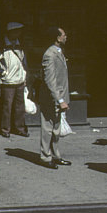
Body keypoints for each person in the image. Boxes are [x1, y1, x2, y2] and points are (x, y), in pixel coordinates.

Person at [40, 26, 72, 169]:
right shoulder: (49, 55)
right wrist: (59, 99)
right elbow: (50, 80)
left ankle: (55, 154)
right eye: (64, 35)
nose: (66, 37)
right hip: (52, 98)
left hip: (60, 96)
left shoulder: (59, 52)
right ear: (58, 38)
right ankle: (45, 157)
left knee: (56, 128)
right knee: (48, 127)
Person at [0, 22, 29, 138]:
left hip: (20, 79)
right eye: (16, 31)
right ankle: (5, 129)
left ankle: (20, 128)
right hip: (8, 81)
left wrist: (24, 75)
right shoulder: (2, 46)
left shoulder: (20, 44)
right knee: (7, 107)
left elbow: (24, 61)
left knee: (20, 106)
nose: (18, 33)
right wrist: (3, 73)